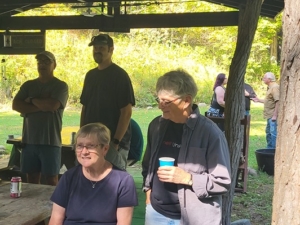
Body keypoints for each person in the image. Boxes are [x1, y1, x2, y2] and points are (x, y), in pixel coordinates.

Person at [142, 69, 231, 225]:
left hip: (195, 218)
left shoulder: (210, 133)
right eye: (159, 100)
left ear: (187, 101)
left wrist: (188, 178)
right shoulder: (156, 126)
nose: (161, 106)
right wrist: (148, 194)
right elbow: (147, 164)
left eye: (167, 101)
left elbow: (222, 182)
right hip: (156, 212)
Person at [49, 123, 138, 225]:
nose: (84, 152)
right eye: (79, 146)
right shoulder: (69, 177)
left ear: (105, 149)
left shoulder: (123, 181)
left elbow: (123, 223)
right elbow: (56, 219)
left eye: (91, 146)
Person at [12, 51, 68, 186]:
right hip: (29, 141)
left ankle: (52, 206)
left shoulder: (60, 86)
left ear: (54, 65)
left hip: (50, 141)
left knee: (51, 179)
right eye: (40, 62)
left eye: (46, 62)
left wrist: (30, 100)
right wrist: (43, 106)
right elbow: (16, 105)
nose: (42, 65)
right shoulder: (28, 85)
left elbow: (53, 105)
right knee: (31, 179)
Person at [80, 33, 135, 170]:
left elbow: (126, 112)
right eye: (95, 48)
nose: (97, 51)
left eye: (101, 48)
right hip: (91, 140)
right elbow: (85, 107)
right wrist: (82, 135)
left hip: (111, 142)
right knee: (90, 178)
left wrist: (116, 141)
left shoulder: (119, 76)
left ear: (111, 50)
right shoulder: (90, 75)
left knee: (113, 180)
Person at [252, 72, 279, 149]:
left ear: (269, 79)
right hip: (269, 115)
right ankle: (269, 149)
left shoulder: (275, 87)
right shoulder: (270, 87)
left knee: (273, 134)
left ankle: (273, 152)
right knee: (268, 133)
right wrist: (258, 100)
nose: (263, 79)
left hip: (272, 116)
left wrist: (275, 115)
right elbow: (269, 100)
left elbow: (278, 101)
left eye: (264, 78)